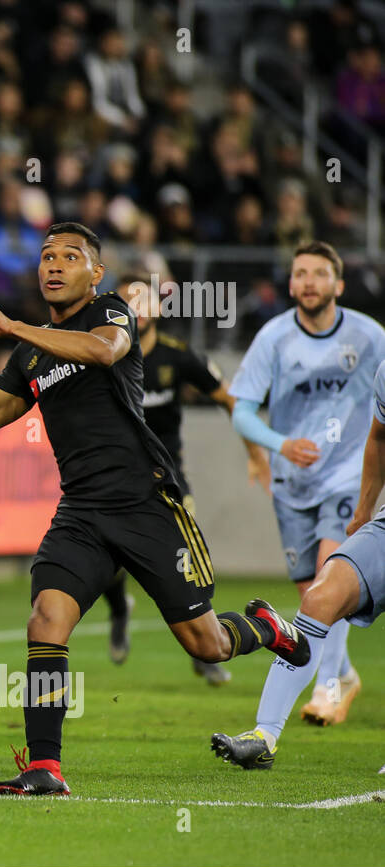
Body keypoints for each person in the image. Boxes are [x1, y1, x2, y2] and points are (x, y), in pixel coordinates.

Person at [0, 221, 311, 796]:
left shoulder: (111, 313)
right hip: (81, 511)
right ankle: (45, 767)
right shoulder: (30, 358)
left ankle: (265, 626)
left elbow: (106, 353)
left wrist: (13, 326)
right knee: (46, 620)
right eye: (46, 256)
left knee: (206, 644)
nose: (54, 265)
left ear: (96, 273)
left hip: (145, 503)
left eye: (70, 256)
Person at [211, 241, 385, 769]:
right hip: (299, 486)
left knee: (321, 578)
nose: (308, 282)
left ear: (339, 284)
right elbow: (379, 438)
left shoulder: (369, 337)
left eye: (319, 274)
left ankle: (330, 685)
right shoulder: (275, 337)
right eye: (299, 273)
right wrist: (365, 509)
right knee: (317, 597)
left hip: (339, 475)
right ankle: (264, 736)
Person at [101, 273, 269, 685]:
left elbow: (228, 398)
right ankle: (119, 610)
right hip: (109, 482)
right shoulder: (100, 355)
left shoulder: (177, 356)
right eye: (127, 301)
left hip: (167, 481)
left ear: (158, 308)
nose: (136, 308)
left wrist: (254, 452)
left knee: (186, 562)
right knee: (106, 564)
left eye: (144, 300)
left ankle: (206, 650)